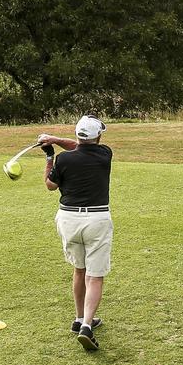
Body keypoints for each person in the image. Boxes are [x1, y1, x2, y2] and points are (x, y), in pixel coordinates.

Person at [39, 115, 113, 352]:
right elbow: (79, 146)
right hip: (96, 220)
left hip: (68, 219)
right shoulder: (104, 154)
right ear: (98, 136)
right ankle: (87, 326)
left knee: (79, 270)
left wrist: (50, 155)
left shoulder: (64, 159)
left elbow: (50, 186)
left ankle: (79, 318)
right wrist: (56, 140)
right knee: (95, 276)